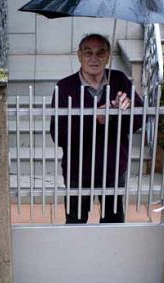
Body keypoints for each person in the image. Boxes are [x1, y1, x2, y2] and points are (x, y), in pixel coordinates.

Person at [50, 34, 143, 224]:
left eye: (100, 53)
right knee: (75, 223)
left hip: (113, 168)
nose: (94, 58)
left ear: (108, 56)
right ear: (79, 55)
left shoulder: (119, 80)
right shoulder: (65, 87)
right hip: (78, 170)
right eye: (88, 53)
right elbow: (59, 135)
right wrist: (95, 119)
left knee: (113, 223)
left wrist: (125, 110)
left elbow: (137, 123)